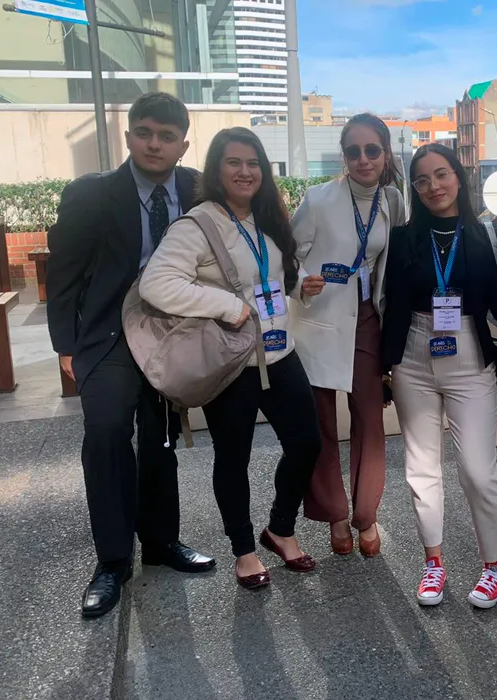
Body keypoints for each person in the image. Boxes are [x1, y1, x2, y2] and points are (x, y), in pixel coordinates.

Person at [46, 92, 215, 618]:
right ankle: (113, 561)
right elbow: (64, 274)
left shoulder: (196, 190)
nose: (155, 144)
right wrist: (65, 347)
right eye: (145, 132)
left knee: (161, 436)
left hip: (171, 335)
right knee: (107, 434)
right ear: (128, 137)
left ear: (184, 144)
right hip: (110, 336)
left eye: (167, 136)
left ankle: (161, 544)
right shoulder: (91, 195)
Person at [138, 127, 324, 590]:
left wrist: (299, 287)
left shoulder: (267, 217)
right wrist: (225, 306)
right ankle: (243, 549)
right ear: (215, 170)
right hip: (232, 363)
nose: (245, 172)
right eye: (234, 162)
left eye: (254, 163)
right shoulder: (198, 223)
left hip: (280, 354)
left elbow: (271, 277)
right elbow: (156, 284)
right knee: (233, 458)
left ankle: (279, 529)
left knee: (307, 444)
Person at [381, 144, 497, 608]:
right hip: (413, 353)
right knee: (421, 469)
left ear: (459, 177)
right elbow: (389, 304)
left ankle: (494, 565)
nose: (433, 186)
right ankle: (433, 562)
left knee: (477, 470)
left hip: (470, 355)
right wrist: (384, 366)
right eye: (422, 179)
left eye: (442, 174)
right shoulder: (401, 238)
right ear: (413, 188)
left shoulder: (485, 235)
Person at [290, 113, 406, 557]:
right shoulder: (318, 200)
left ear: (385, 153)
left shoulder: (393, 201)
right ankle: (336, 514)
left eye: (371, 150)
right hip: (320, 320)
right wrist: (300, 281)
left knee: (370, 421)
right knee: (321, 423)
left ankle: (366, 514)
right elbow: (287, 253)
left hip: (366, 320)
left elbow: (390, 264)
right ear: (344, 156)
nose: (363, 159)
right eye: (353, 151)